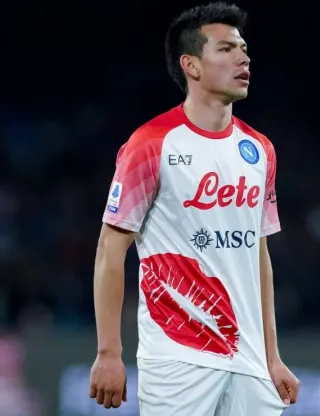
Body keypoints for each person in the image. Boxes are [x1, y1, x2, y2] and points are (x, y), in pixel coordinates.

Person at [88, 2, 300, 415]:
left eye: (243, 48)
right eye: (225, 49)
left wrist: (272, 357)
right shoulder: (151, 144)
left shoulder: (260, 150)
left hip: (250, 361)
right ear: (192, 65)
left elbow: (258, 255)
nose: (243, 57)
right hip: (177, 357)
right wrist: (109, 353)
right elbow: (109, 251)